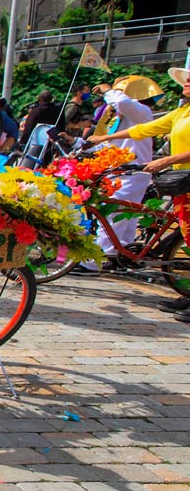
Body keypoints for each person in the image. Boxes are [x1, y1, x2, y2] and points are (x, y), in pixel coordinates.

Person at [87, 66, 190, 319]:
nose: (186, 82)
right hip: (183, 182)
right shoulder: (182, 112)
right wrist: (102, 139)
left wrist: (165, 161)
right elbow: (144, 129)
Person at [70, 76, 162, 274]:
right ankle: (121, 256)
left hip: (132, 172)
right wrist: (78, 144)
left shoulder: (141, 112)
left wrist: (107, 90)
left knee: (113, 214)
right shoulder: (123, 118)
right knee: (126, 217)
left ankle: (95, 262)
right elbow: (108, 144)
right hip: (121, 171)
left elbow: (121, 102)